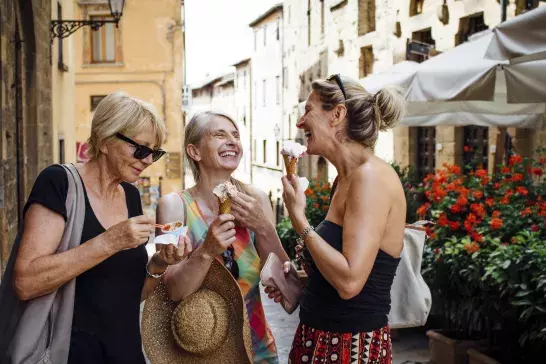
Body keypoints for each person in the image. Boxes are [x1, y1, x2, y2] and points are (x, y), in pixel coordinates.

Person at [12, 92, 191, 364]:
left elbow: (130, 297)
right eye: (141, 149)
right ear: (106, 140)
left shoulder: (130, 195)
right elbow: (26, 282)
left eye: (155, 153)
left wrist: (159, 263)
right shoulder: (58, 182)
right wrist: (109, 242)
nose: (147, 160)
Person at [266, 75, 406, 364]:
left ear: (337, 114)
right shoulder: (344, 178)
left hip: (349, 348)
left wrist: (299, 219)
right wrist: (301, 282)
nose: (300, 122)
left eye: (308, 110)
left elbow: (350, 282)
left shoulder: (370, 178)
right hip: (321, 340)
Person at [157, 111, 290, 363]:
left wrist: (263, 227)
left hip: (258, 352)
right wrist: (206, 250)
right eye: (219, 135)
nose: (232, 141)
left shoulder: (257, 200)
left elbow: (286, 287)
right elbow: (172, 292)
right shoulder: (173, 207)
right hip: (198, 356)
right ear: (194, 152)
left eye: (236, 135)